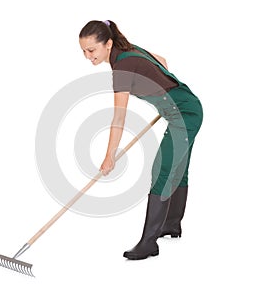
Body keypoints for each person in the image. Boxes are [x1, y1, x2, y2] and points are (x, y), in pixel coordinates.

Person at [79, 20, 203, 260]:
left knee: (162, 170)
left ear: (108, 44)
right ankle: (172, 224)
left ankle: (149, 243)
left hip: (185, 114)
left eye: (91, 50)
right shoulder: (127, 50)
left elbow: (119, 118)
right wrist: (164, 99)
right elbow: (162, 60)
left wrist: (109, 157)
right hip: (185, 107)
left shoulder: (122, 68)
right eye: (83, 51)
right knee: (178, 166)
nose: (87, 56)